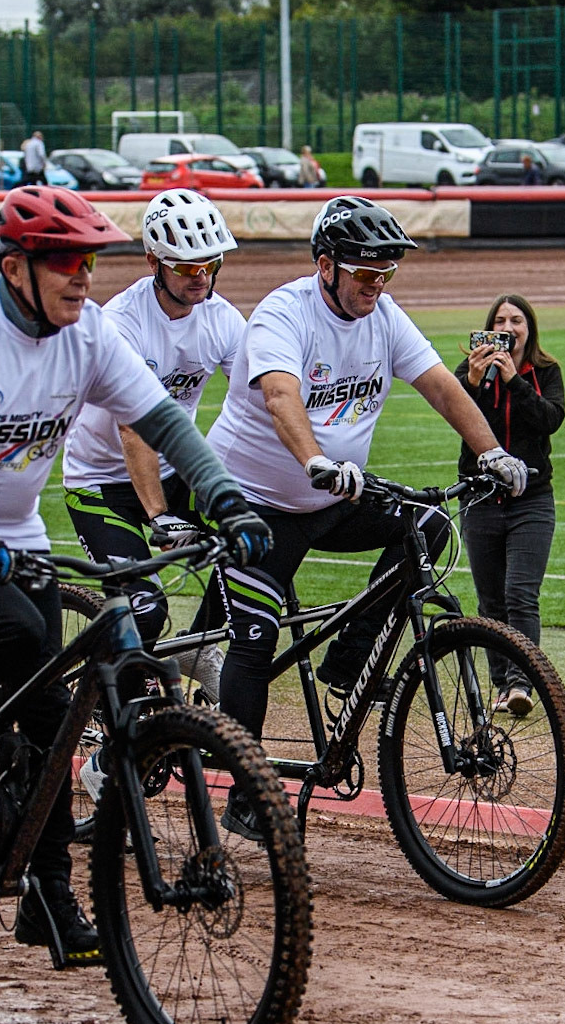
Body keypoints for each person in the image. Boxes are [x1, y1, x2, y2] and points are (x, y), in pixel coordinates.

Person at [0, 184, 271, 963]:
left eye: (88, 261)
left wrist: (227, 500)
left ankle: (49, 897)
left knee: (49, 719)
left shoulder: (87, 336)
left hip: (15, 533)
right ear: (16, 268)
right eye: (65, 263)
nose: (83, 277)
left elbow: (163, 421)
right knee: (17, 629)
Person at [205, 197, 530, 837]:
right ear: (325, 265)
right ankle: (246, 794)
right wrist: (315, 459)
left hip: (333, 499)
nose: (375, 288)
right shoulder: (283, 313)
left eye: (385, 276)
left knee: (428, 526)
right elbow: (279, 394)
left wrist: (492, 451)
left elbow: (439, 381)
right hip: (255, 504)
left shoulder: (383, 315)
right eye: (363, 275)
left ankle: (348, 666)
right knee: (255, 638)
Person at [61, 188, 237, 727]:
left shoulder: (223, 320)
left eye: (210, 264)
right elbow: (133, 428)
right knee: (145, 608)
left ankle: (200, 647)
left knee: (260, 538)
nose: (199, 276)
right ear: (153, 263)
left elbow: (261, 399)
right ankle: (107, 726)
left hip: (170, 470)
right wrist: (159, 517)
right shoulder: (122, 322)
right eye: (186, 266)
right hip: (101, 481)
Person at [456, 294, 565, 715]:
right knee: (490, 600)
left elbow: (549, 419)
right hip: (480, 497)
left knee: (521, 593)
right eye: (499, 320)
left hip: (532, 499)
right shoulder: (469, 374)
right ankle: (503, 684)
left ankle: (524, 681)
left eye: (516, 320)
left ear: (528, 329)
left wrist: (514, 382)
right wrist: (474, 382)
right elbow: (461, 420)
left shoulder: (545, 372)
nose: (507, 327)